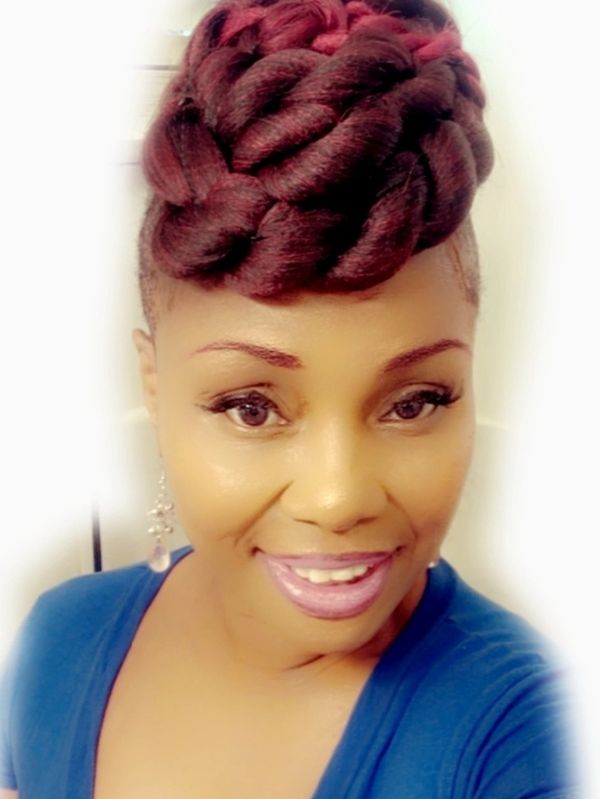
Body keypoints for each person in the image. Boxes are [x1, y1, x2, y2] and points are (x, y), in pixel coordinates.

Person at [0, 0, 579, 797]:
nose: (337, 497)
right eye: (251, 406)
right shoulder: (52, 647)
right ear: (155, 387)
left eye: (415, 401)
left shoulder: (533, 737)